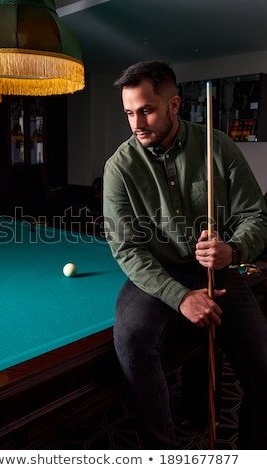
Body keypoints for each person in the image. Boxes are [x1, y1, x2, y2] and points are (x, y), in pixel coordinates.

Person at [102, 61, 267, 450]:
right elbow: (127, 248)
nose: (137, 122)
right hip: (158, 273)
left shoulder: (218, 145)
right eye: (129, 112)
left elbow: (255, 216)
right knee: (131, 340)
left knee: (264, 369)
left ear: (174, 104)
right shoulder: (119, 168)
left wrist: (234, 249)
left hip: (218, 269)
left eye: (147, 109)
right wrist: (180, 297)